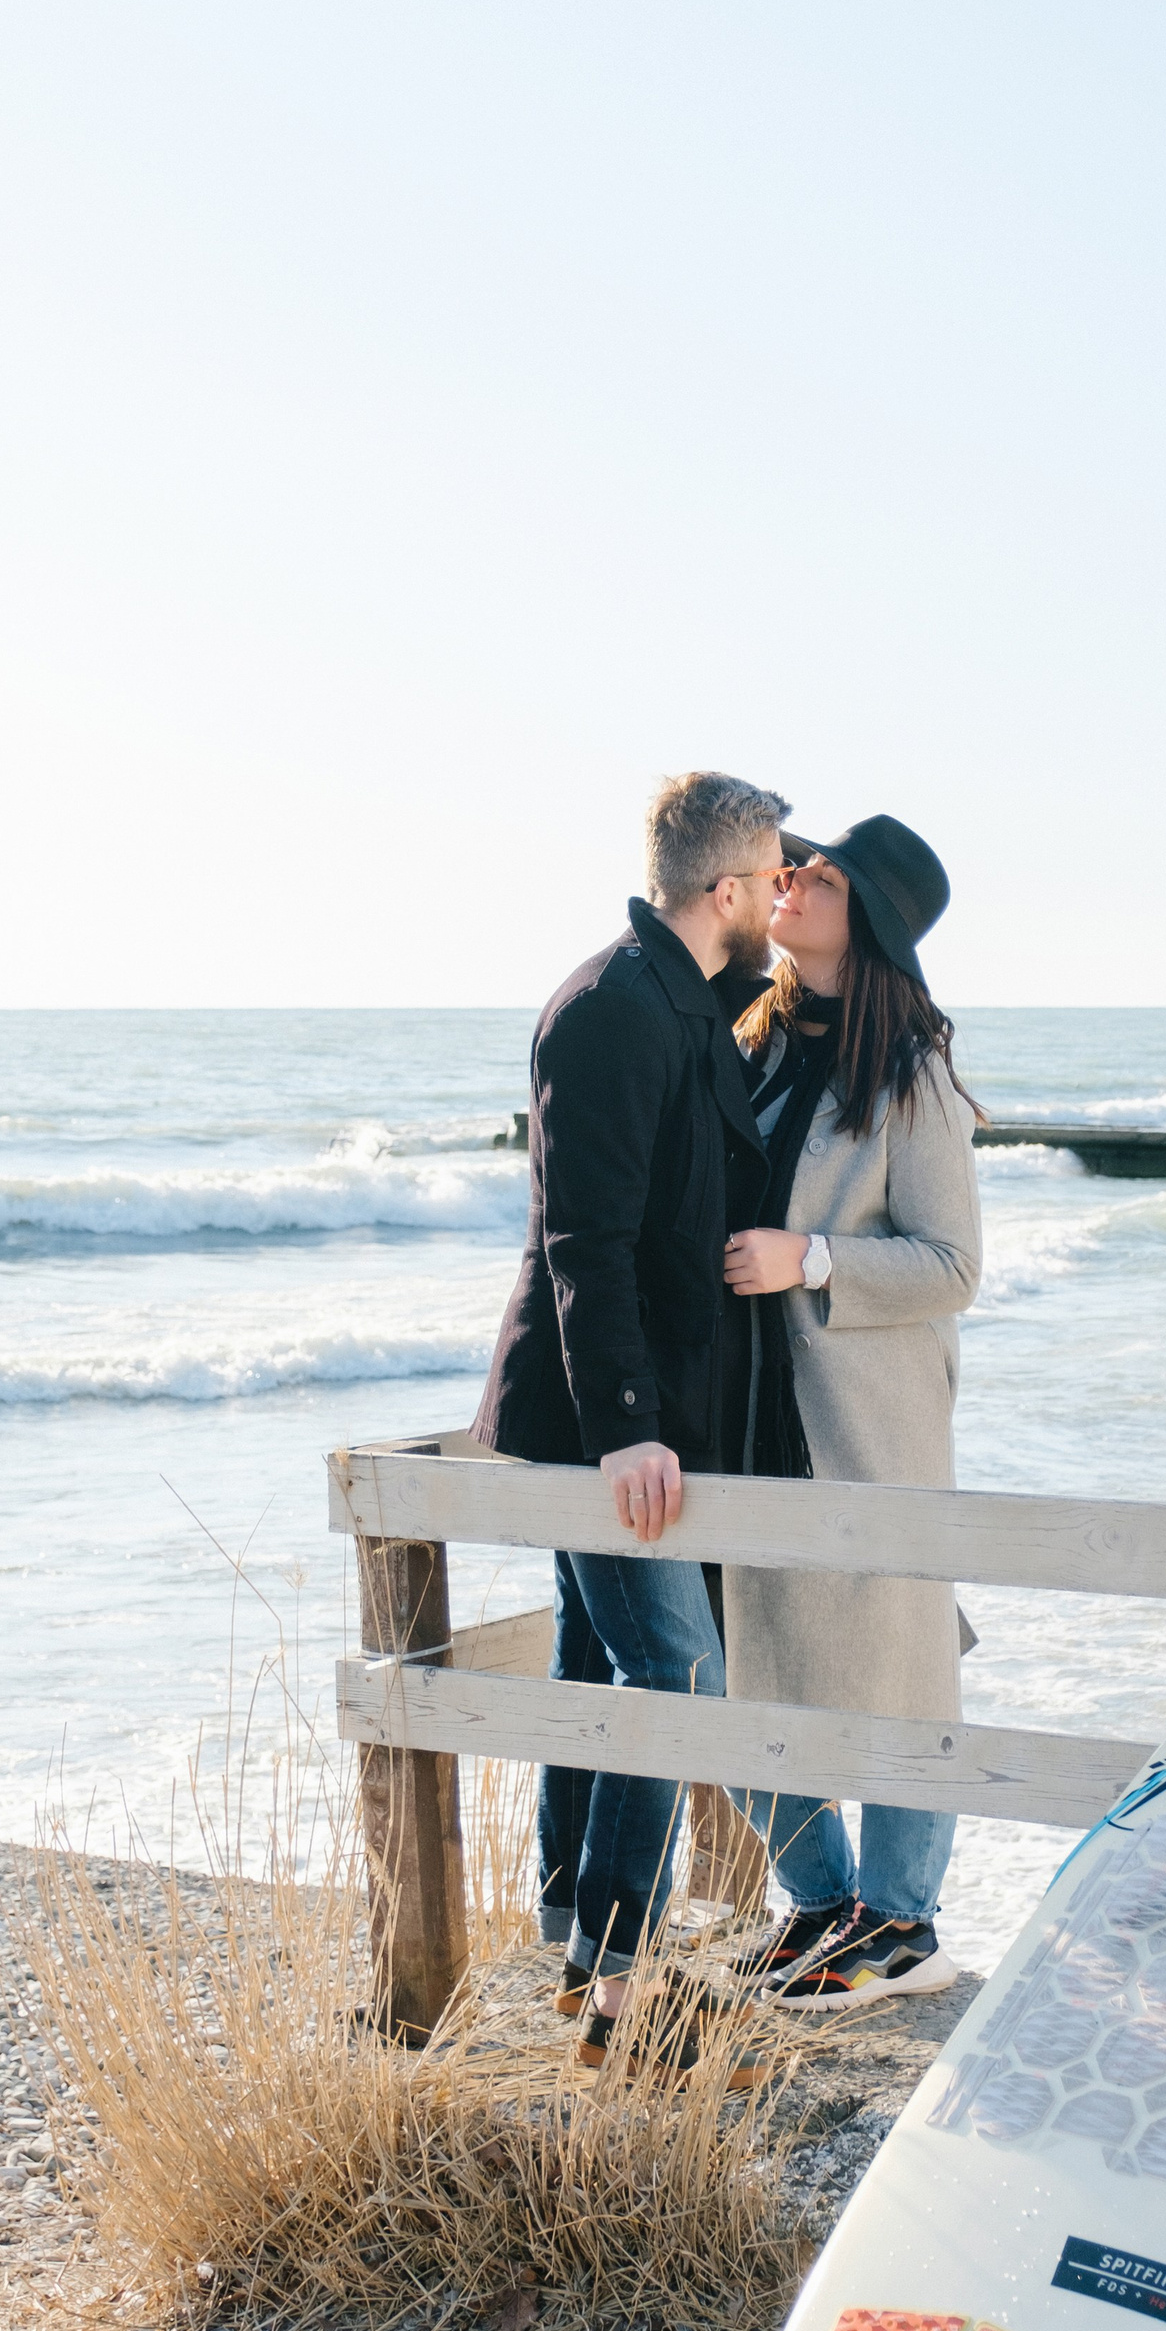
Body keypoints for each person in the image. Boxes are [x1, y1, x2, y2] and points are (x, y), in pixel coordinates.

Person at [471, 770, 787, 2071]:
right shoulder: (612, 1008)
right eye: (774, 878)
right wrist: (627, 1427)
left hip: (639, 1411)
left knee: (595, 1664)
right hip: (601, 1422)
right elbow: (585, 1244)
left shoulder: (683, 999)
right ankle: (616, 1982)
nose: (781, 900)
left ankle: (575, 1945)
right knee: (674, 1671)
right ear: (726, 887)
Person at [716, 814, 984, 2005]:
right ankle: (823, 1902)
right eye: (796, 863)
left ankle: (903, 1924)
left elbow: (953, 1266)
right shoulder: (751, 1039)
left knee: (900, 1656)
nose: (791, 876)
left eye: (820, 875)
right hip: (748, 1400)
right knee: (738, 1653)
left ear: (863, 919)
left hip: (870, 1407)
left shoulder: (910, 1073)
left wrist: (811, 1260)